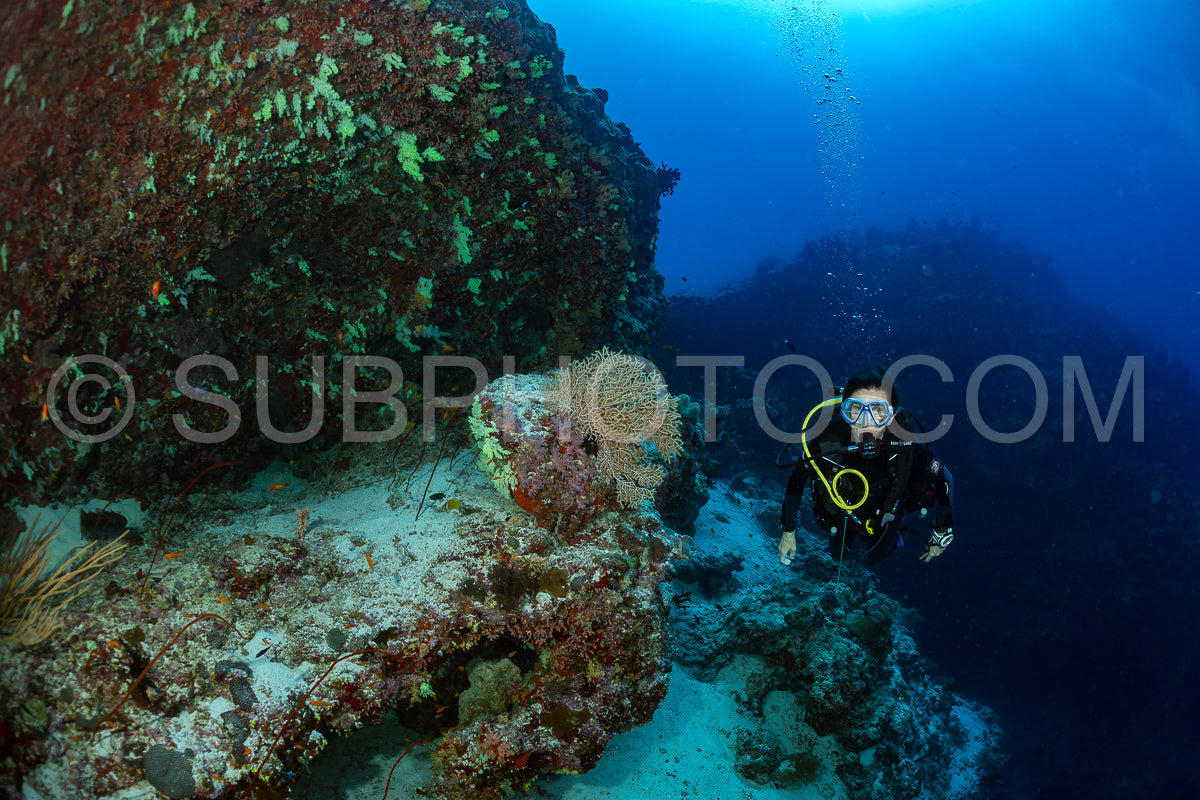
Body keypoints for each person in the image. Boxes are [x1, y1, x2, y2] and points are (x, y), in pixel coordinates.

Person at [778, 366, 955, 567]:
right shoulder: (828, 440)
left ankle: (894, 538)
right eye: (855, 410)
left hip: (887, 511)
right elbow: (798, 477)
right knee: (838, 555)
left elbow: (943, 477)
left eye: (878, 411)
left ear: (892, 416)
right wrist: (788, 531)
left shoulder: (907, 446)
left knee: (876, 558)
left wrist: (942, 531)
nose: (865, 423)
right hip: (844, 507)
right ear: (845, 410)